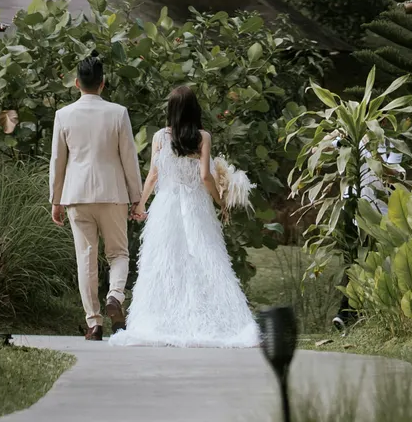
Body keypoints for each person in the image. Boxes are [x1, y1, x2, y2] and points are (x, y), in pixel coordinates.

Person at [113, 83, 259, 347]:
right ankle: (214, 318)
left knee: (165, 262)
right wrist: (220, 202)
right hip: (196, 207)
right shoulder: (203, 137)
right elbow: (205, 177)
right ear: (194, 110)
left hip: (166, 206)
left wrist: (140, 205)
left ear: (171, 110)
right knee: (205, 257)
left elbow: (153, 175)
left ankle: (160, 319)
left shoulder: (160, 137)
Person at [48, 54, 145, 340]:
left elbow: (58, 161)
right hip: (113, 193)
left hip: (76, 195)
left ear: (77, 83)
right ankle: (115, 295)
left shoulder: (63, 115)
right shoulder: (118, 113)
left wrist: (56, 199)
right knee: (119, 253)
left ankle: (94, 323)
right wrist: (137, 197)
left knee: (85, 258)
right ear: (103, 83)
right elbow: (129, 158)